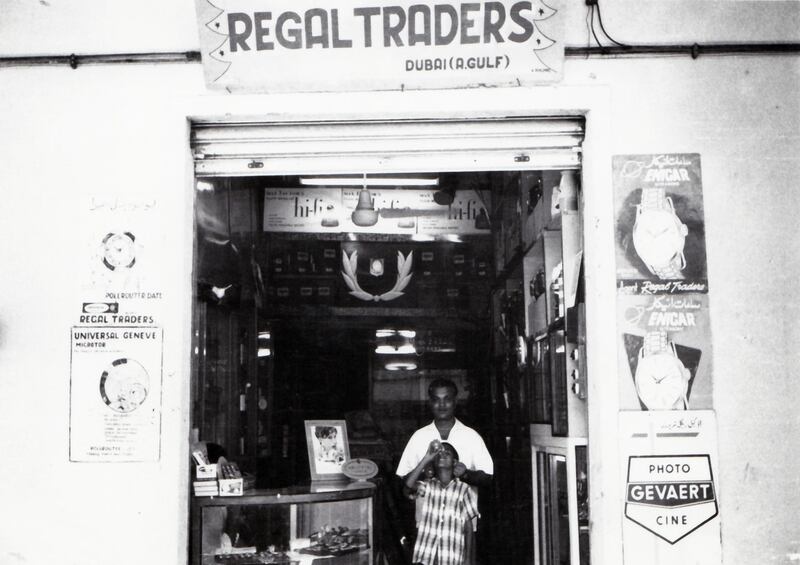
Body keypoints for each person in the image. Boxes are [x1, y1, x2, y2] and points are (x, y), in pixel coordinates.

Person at [396, 378, 493, 564]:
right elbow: (403, 482)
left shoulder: (471, 437)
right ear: (430, 402)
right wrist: (427, 470)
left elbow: (488, 477)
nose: (442, 404)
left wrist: (465, 474)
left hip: (461, 530)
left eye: (447, 399)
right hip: (426, 527)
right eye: (436, 399)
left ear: (455, 401)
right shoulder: (419, 437)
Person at [404, 441, 478, 565]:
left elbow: (468, 527)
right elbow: (407, 488)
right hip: (426, 556)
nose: (442, 455)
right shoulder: (428, 486)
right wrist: (426, 458)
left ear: (454, 462)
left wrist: (468, 559)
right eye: (438, 453)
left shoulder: (463, 489)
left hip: (451, 555)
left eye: (447, 453)